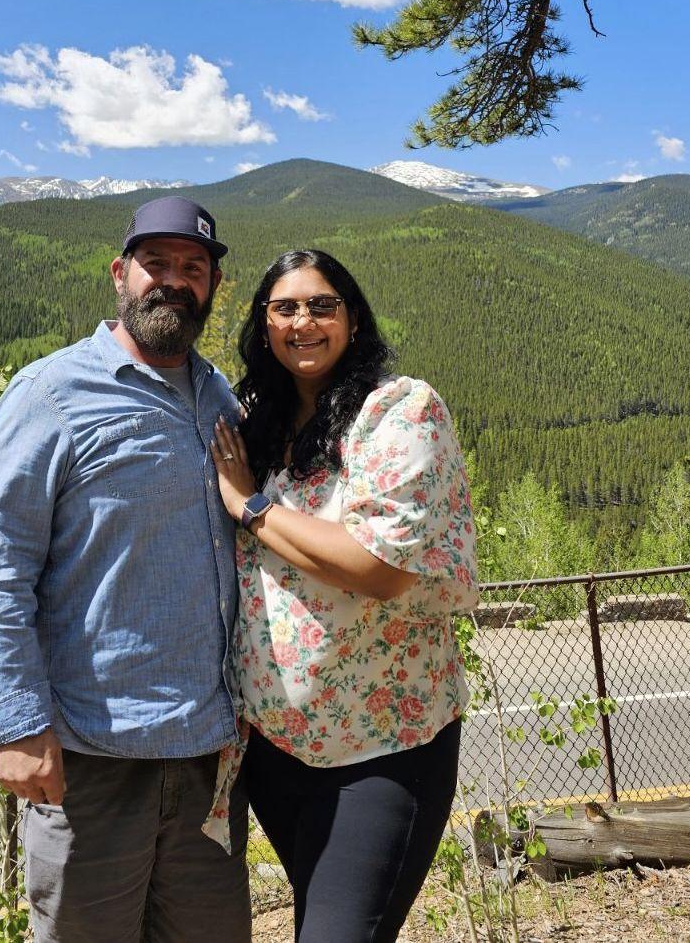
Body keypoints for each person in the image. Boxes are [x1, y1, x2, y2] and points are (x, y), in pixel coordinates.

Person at [0, 196, 251, 943]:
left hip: (207, 758)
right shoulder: (51, 392)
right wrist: (16, 723)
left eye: (194, 268)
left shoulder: (220, 397)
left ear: (213, 286)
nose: (174, 282)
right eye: (157, 263)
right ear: (121, 274)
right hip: (89, 757)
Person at [209, 249, 479, 943]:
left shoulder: (398, 411)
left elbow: (378, 567)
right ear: (263, 325)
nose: (304, 321)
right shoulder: (257, 425)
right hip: (278, 751)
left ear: (352, 320)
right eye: (285, 308)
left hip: (385, 750)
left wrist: (251, 506)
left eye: (323, 305)